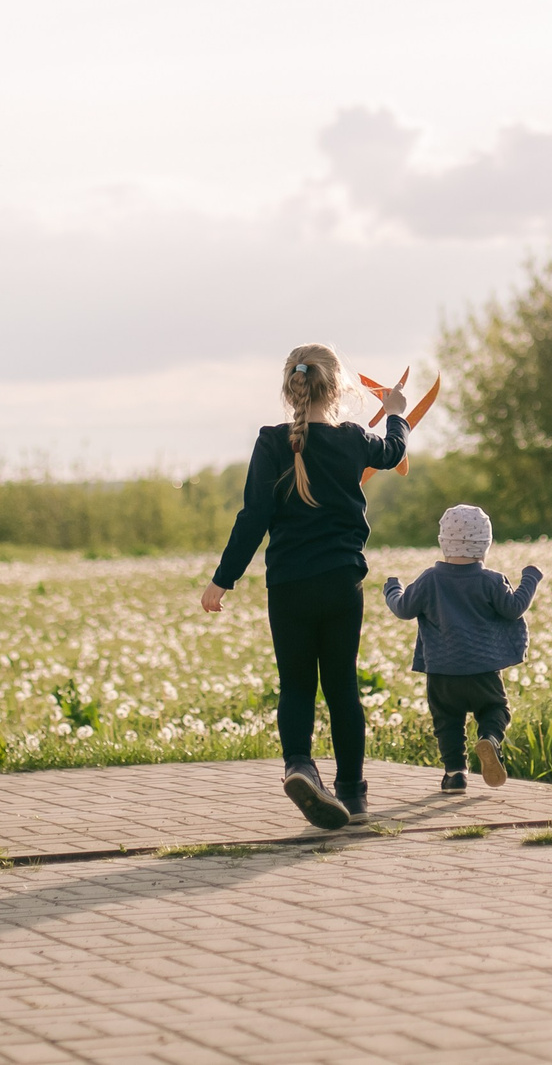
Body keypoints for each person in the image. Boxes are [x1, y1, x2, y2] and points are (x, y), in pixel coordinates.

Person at [200, 344, 407, 829]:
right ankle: (353, 795)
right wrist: (395, 413)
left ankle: (300, 768)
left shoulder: (272, 442)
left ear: (292, 385)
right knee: (342, 689)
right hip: (341, 583)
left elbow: (253, 517)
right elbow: (393, 449)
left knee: (296, 687)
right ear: (337, 387)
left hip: (290, 586)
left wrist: (222, 580)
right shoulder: (355, 439)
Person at [381, 504, 541, 791]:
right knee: (496, 710)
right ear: (485, 546)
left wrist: (392, 589)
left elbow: (404, 609)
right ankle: (490, 739)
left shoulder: (429, 579)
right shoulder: (491, 580)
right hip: (483, 670)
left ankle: (455, 774)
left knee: (448, 722)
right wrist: (530, 578)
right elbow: (514, 608)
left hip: (441, 671)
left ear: (443, 543)